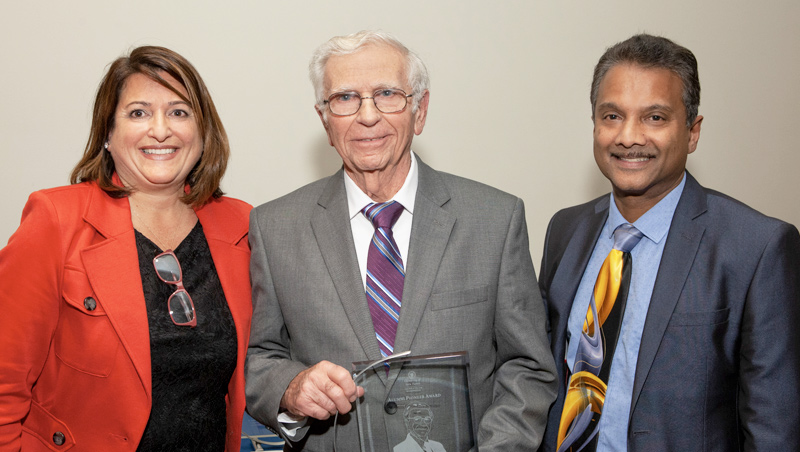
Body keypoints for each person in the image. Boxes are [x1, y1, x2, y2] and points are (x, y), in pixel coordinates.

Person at [245, 30, 556, 451]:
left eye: (387, 94)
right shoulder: (274, 226)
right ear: (324, 118)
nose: (367, 116)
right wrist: (291, 388)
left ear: (420, 110)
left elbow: (526, 365)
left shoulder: (495, 219)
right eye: (345, 98)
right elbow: (262, 358)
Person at [538, 33, 800, 452]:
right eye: (611, 116)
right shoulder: (565, 231)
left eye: (655, 118)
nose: (629, 136)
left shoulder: (757, 248)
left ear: (692, 132)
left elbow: (775, 431)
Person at [0, 46, 253, 451]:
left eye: (179, 112)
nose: (160, 130)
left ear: (203, 133)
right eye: (138, 113)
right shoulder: (57, 219)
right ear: (107, 135)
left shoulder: (241, 225)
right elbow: (4, 382)